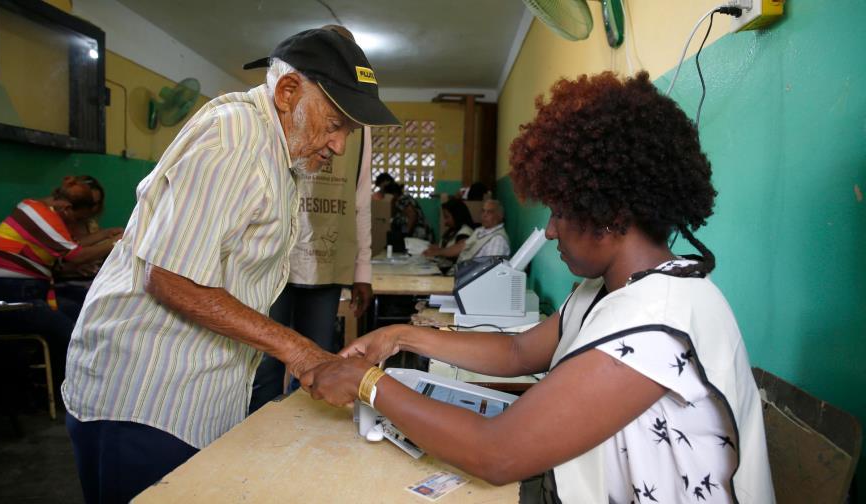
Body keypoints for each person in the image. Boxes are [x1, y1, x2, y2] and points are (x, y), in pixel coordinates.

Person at [302, 72, 775, 503]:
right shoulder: (610, 290)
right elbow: (518, 353)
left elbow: (498, 453)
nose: (549, 231)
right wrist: (400, 335)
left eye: (561, 212)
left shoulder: (660, 318)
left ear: (610, 212)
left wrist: (367, 384)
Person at [61, 28, 399, 504]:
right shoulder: (236, 136)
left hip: (194, 393)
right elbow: (170, 276)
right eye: (335, 123)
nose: (340, 145)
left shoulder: (283, 154)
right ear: (287, 92)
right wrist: (301, 351)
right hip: (147, 398)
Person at [249, 24, 376, 412]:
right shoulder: (268, 123)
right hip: (275, 260)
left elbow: (360, 200)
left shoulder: (358, 130)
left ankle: (300, 440)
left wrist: (363, 272)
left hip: (324, 258)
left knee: (317, 360)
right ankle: (257, 435)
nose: (337, 143)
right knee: (264, 362)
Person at [0, 178, 120, 386]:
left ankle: (79, 387)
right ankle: (69, 391)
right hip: (12, 296)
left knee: (80, 314)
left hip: (30, 292)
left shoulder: (38, 210)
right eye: (75, 219)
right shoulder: (43, 216)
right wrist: (118, 243)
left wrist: (104, 236)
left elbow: (71, 246)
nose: (73, 225)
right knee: (70, 331)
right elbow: (76, 255)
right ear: (65, 207)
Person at [53, 175, 110, 306]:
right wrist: (113, 242)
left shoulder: (91, 225)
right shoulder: (55, 223)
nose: (92, 210)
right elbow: (69, 258)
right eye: (88, 204)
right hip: (64, 287)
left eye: (96, 204)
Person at [422, 198, 476, 272]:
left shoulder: (465, 231)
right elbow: (447, 247)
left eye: (447, 217)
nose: (445, 222)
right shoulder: (452, 230)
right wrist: (434, 248)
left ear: (457, 215)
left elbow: (459, 248)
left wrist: (437, 252)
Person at [454, 199, 510, 264]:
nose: (484, 215)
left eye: (490, 212)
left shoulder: (498, 240)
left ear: (500, 216)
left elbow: (489, 269)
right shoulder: (481, 230)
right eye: (483, 211)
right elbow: (463, 246)